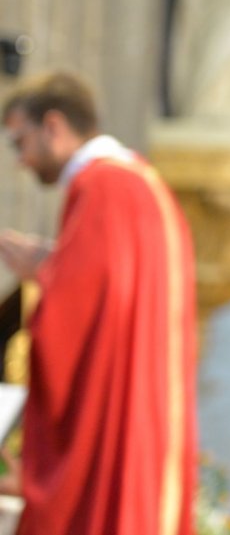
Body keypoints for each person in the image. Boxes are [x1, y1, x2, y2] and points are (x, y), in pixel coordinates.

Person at [0, 71, 196, 535]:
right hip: (141, 409)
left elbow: (72, 322)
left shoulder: (99, 188)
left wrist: (40, 277)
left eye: (19, 142)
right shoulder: (138, 182)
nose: (22, 162)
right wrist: (54, 262)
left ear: (53, 125)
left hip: (114, 416)